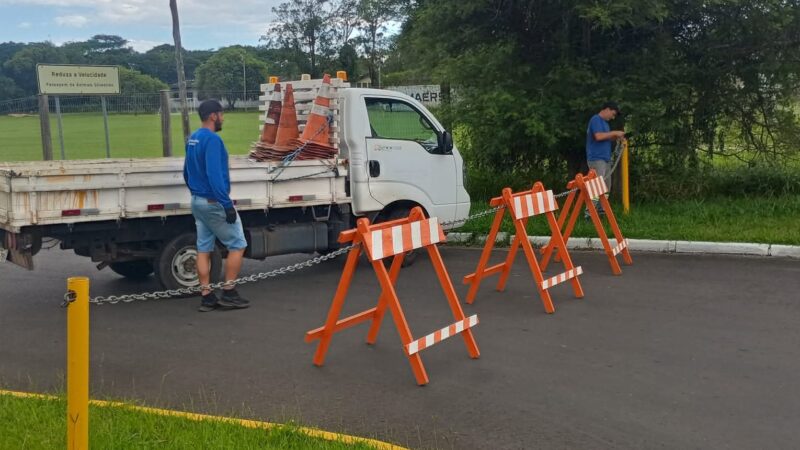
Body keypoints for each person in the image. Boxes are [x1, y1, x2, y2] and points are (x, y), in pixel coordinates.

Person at [183, 99, 250, 312]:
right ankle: (229, 292)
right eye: (221, 114)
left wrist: (195, 192)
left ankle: (207, 295)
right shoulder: (213, 140)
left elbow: (186, 172)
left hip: (197, 202)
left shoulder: (193, 138)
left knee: (204, 248)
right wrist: (226, 204)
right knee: (238, 244)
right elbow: (214, 175)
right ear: (213, 116)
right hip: (213, 202)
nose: (223, 118)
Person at [585, 101, 625, 215]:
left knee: (606, 187)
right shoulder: (595, 120)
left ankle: (601, 211)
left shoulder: (605, 124)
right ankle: (590, 213)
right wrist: (614, 132)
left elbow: (605, 137)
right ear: (607, 109)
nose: (613, 117)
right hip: (596, 159)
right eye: (612, 114)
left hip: (605, 159)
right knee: (596, 187)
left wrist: (615, 137)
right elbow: (598, 136)